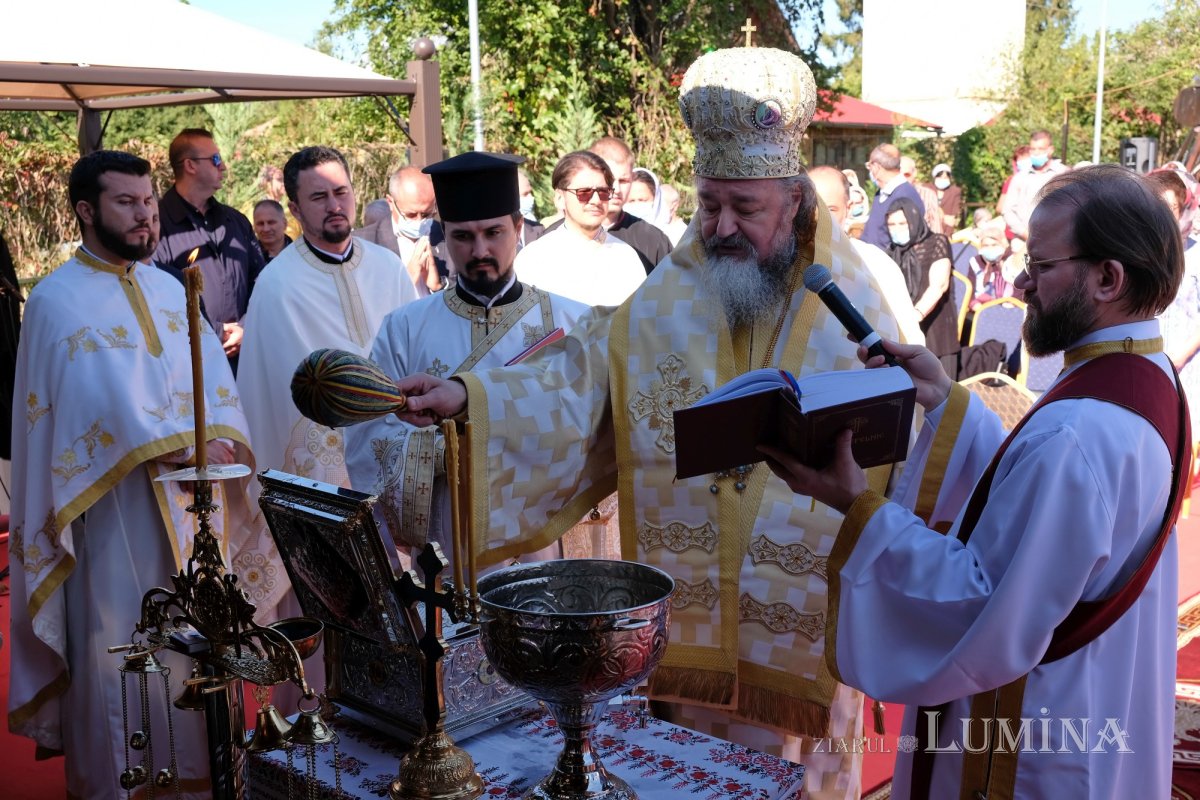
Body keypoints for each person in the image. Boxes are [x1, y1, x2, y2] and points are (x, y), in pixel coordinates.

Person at [393, 46, 914, 800]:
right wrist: (473, 398)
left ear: (794, 199)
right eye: (709, 205)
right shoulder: (674, 285)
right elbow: (586, 372)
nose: (721, 226)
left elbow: (906, 427)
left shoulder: (858, 288)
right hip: (689, 625)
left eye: (745, 207)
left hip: (799, 631)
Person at [762, 164, 1186, 799]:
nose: (1020, 283)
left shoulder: (1078, 431)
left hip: (1041, 727)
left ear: (1107, 277)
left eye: (1041, 268)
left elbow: (984, 600)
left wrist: (858, 508)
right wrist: (943, 401)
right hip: (1103, 689)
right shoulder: (1147, 374)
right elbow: (1039, 510)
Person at [8, 150, 276, 799]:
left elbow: (217, 386)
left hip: (193, 516)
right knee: (120, 653)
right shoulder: (54, 301)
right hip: (107, 516)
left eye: (149, 201)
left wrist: (216, 439)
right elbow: (60, 417)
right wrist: (163, 443)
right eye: (126, 202)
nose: (144, 214)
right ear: (85, 210)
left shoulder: (171, 288)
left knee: (194, 653)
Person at [345, 152, 589, 563]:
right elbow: (367, 438)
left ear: (517, 228)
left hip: (543, 546)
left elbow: (595, 426)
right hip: (447, 545)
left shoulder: (571, 319)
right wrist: (442, 450)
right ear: (445, 237)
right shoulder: (403, 328)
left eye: (493, 232)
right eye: (463, 237)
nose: (480, 250)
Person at [237, 145, 418, 489]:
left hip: (396, 443)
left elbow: (413, 353)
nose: (334, 206)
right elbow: (269, 394)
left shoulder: (388, 267)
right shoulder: (275, 284)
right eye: (319, 197)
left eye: (341, 192)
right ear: (295, 209)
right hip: (321, 463)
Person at [155, 128, 265, 369]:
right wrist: (215, 332)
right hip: (188, 365)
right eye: (216, 159)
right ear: (190, 166)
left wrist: (246, 327)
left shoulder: (236, 221)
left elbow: (262, 281)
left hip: (244, 357)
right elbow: (155, 296)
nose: (223, 166)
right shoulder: (156, 225)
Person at [514, 150, 646, 307]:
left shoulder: (626, 258)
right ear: (559, 198)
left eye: (603, 192)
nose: (596, 200)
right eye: (584, 192)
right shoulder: (535, 258)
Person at [809, 165, 923, 344]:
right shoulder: (780, 262)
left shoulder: (876, 263)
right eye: (811, 208)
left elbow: (908, 338)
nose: (818, 218)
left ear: (848, 208)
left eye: (830, 210)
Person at [541, 136, 674, 275]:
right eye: (609, 181)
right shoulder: (547, 243)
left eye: (623, 180)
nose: (615, 189)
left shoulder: (653, 240)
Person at [1148, 169, 1200, 452]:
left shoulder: (1196, 255)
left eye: (1170, 207)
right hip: (1146, 359)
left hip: (1186, 364)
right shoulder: (1141, 253)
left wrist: (1180, 356)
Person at [886, 197, 958, 376]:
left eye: (902, 223)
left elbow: (938, 286)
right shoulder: (891, 251)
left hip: (933, 323)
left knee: (940, 389)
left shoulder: (937, 242)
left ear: (914, 219)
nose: (897, 229)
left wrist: (914, 316)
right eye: (892, 224)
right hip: (903, 327)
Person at [354, 165, 443, 296]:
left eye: (426, 214)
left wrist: (438, 287)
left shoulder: (447, 236)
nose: (419, 222)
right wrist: (404, 281)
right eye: (411, 215)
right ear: (391, 203)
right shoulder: (361, 243)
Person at [1002, 129, 1068, 245]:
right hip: (1023, 243)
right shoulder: (1020, 177)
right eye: (1033, 149)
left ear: (1050, 150)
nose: (1036, 153)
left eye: (1040, 149)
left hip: (1056, 242)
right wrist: (1025, 234)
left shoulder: (1063, 174)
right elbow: (1007, 210)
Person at [861, 143, 924, 249]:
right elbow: (872, 233)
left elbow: (905, 244)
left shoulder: (905, 196)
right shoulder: (881, 194)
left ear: (876, 167)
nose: (869, 170)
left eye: (869, 166)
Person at [965, 217, 1023, 310]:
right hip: (980, 311)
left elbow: (1020, 293)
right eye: (986, 245)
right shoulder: (975, 262)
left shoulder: (1013, 261)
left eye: (994, 245)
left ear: (1003, 244)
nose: (990, 248)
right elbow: (970, 291)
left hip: (1009, 311)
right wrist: (977, 306)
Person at [900, 156, 943, 235]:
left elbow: (936, 229)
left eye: (906, 174)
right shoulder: (888, 195)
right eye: (899, 175)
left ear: (914, 173)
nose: (902, 179)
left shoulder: (928, 195)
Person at [627, 167, 672, 234]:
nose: (636, 206)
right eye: (631, 201)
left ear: (656, 200)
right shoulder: (614, 237)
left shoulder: (672, 238)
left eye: (642, 200)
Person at [253, 198, 292, 264]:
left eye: (271, 222)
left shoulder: (302, 254)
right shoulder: (248, 259)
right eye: (260, 224)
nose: (266, 229)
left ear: (284, 224)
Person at [931, 163, 962, 233]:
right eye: (940, 177)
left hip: (946, 229)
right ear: (935, 177)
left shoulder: (955, 191)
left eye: (945, 177)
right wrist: (943, 217)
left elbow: (952, 218)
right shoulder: (927, 189)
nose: (943, 179)